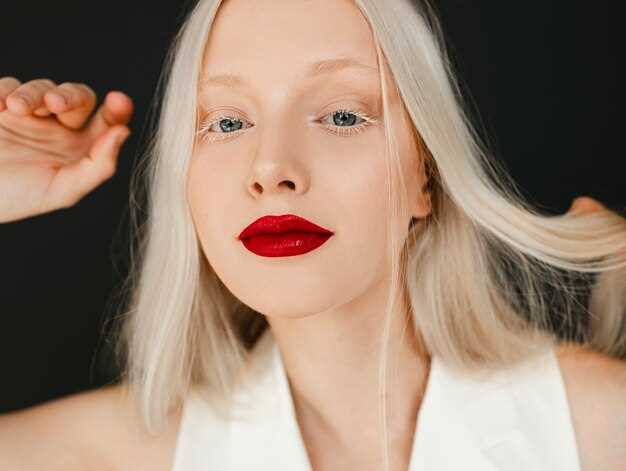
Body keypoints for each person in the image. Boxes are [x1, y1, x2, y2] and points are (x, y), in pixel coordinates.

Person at [0, 0, 625, 470]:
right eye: (227, 122)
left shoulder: (602, 427)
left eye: (343, 115)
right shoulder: (94, 458)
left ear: (426, 176)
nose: (271, 168)